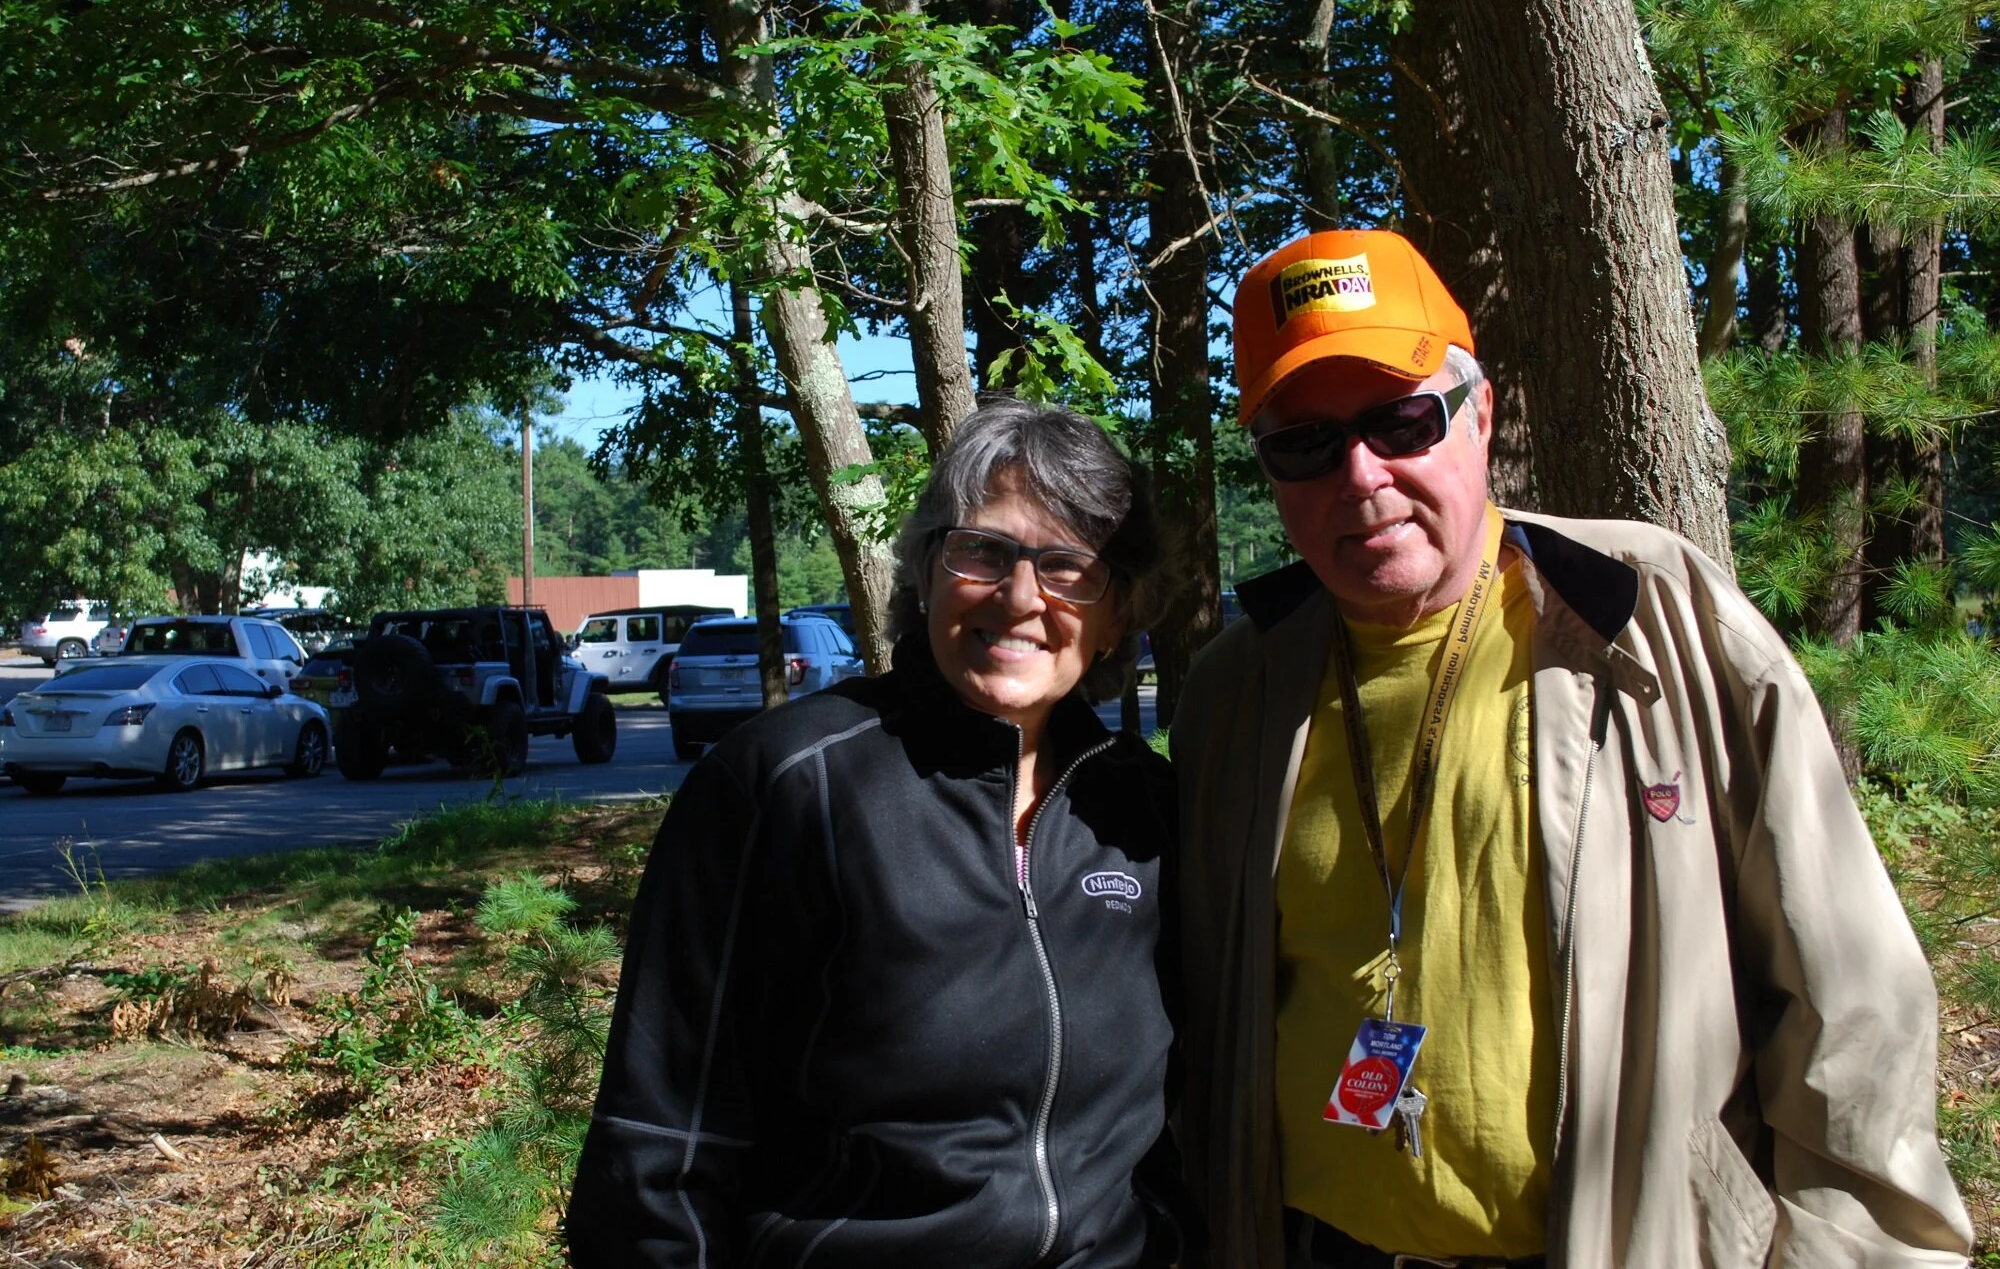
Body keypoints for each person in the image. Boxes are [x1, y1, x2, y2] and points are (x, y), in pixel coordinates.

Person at [1173, 228, 1973, 1269]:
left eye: (1399, 422)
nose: (1359, 476)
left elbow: (1849, 999)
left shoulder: (1656, 617)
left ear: (1480, 416)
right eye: (1304, 445)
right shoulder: (1235, 691)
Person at [569, 397, 1187, 1267]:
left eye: (1067, 567)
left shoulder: (1147, 811)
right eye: (983, 552)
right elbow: (661, 1144)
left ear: (1119, 610)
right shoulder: (787, 786)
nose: (1020, 597)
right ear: (925, 571)